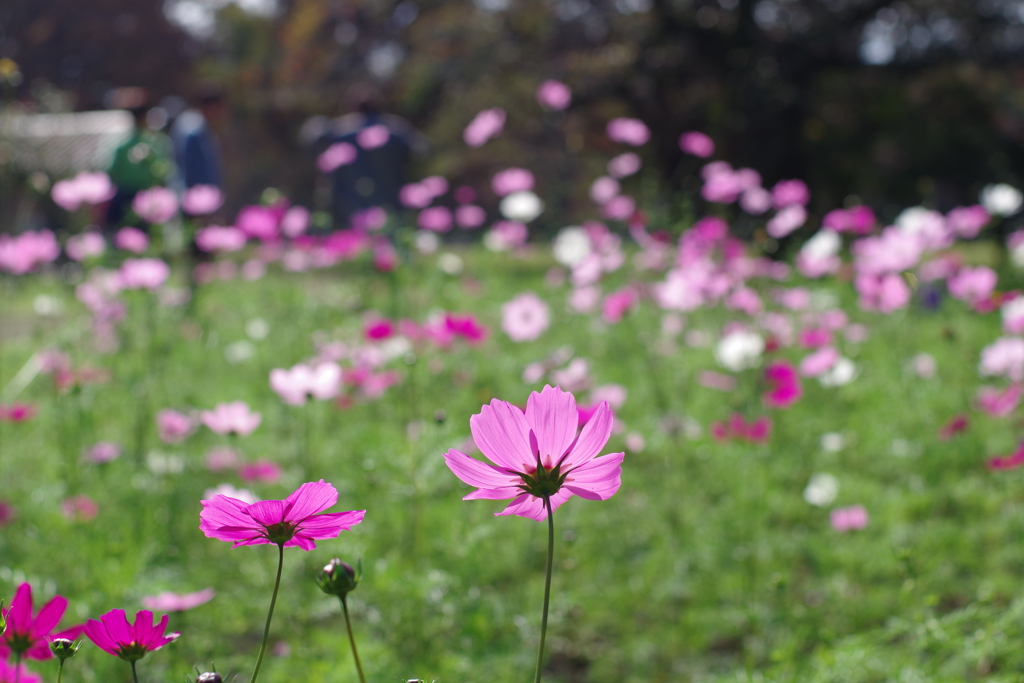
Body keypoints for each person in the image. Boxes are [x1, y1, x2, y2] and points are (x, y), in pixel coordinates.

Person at [311, 86, 426, 226]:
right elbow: (424, 151)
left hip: (350, 203)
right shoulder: (396, 127)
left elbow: (311, 141)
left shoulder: (337, 129)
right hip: (391, 200)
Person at [106, 87, 173, 226]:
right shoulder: (157, 143)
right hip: (147, 197)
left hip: (126, 197)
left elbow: (112, 171)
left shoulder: (122, 145)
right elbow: (165, 170)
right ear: (145, 117)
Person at [170, 86, 225, 190]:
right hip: (194, 197)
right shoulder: (194, 130)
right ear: (212, 106)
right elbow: (190, 170)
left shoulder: (191, 122)